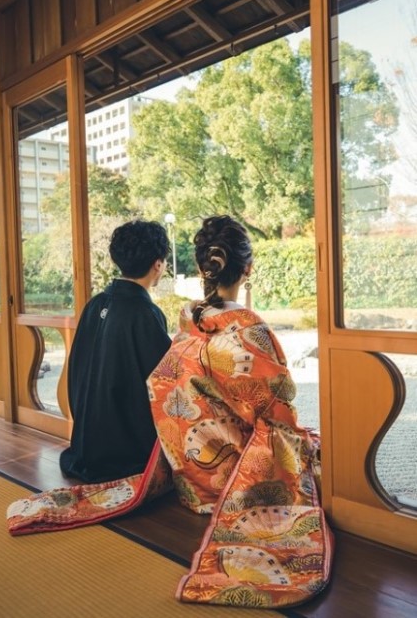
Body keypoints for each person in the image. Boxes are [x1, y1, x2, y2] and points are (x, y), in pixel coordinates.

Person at [147, 214, 332, 606]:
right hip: (232, 477)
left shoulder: (190, 321)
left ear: (203, 267)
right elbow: (277, 406)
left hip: (191, 476)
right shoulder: (248, 329)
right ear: (247, 269)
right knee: (312, 447)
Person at [59, 219, 172, 483]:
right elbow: (166, 377)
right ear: (158, 264)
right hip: (123, 452)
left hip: (85, 444)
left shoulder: (96, 303)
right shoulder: (144, 312)